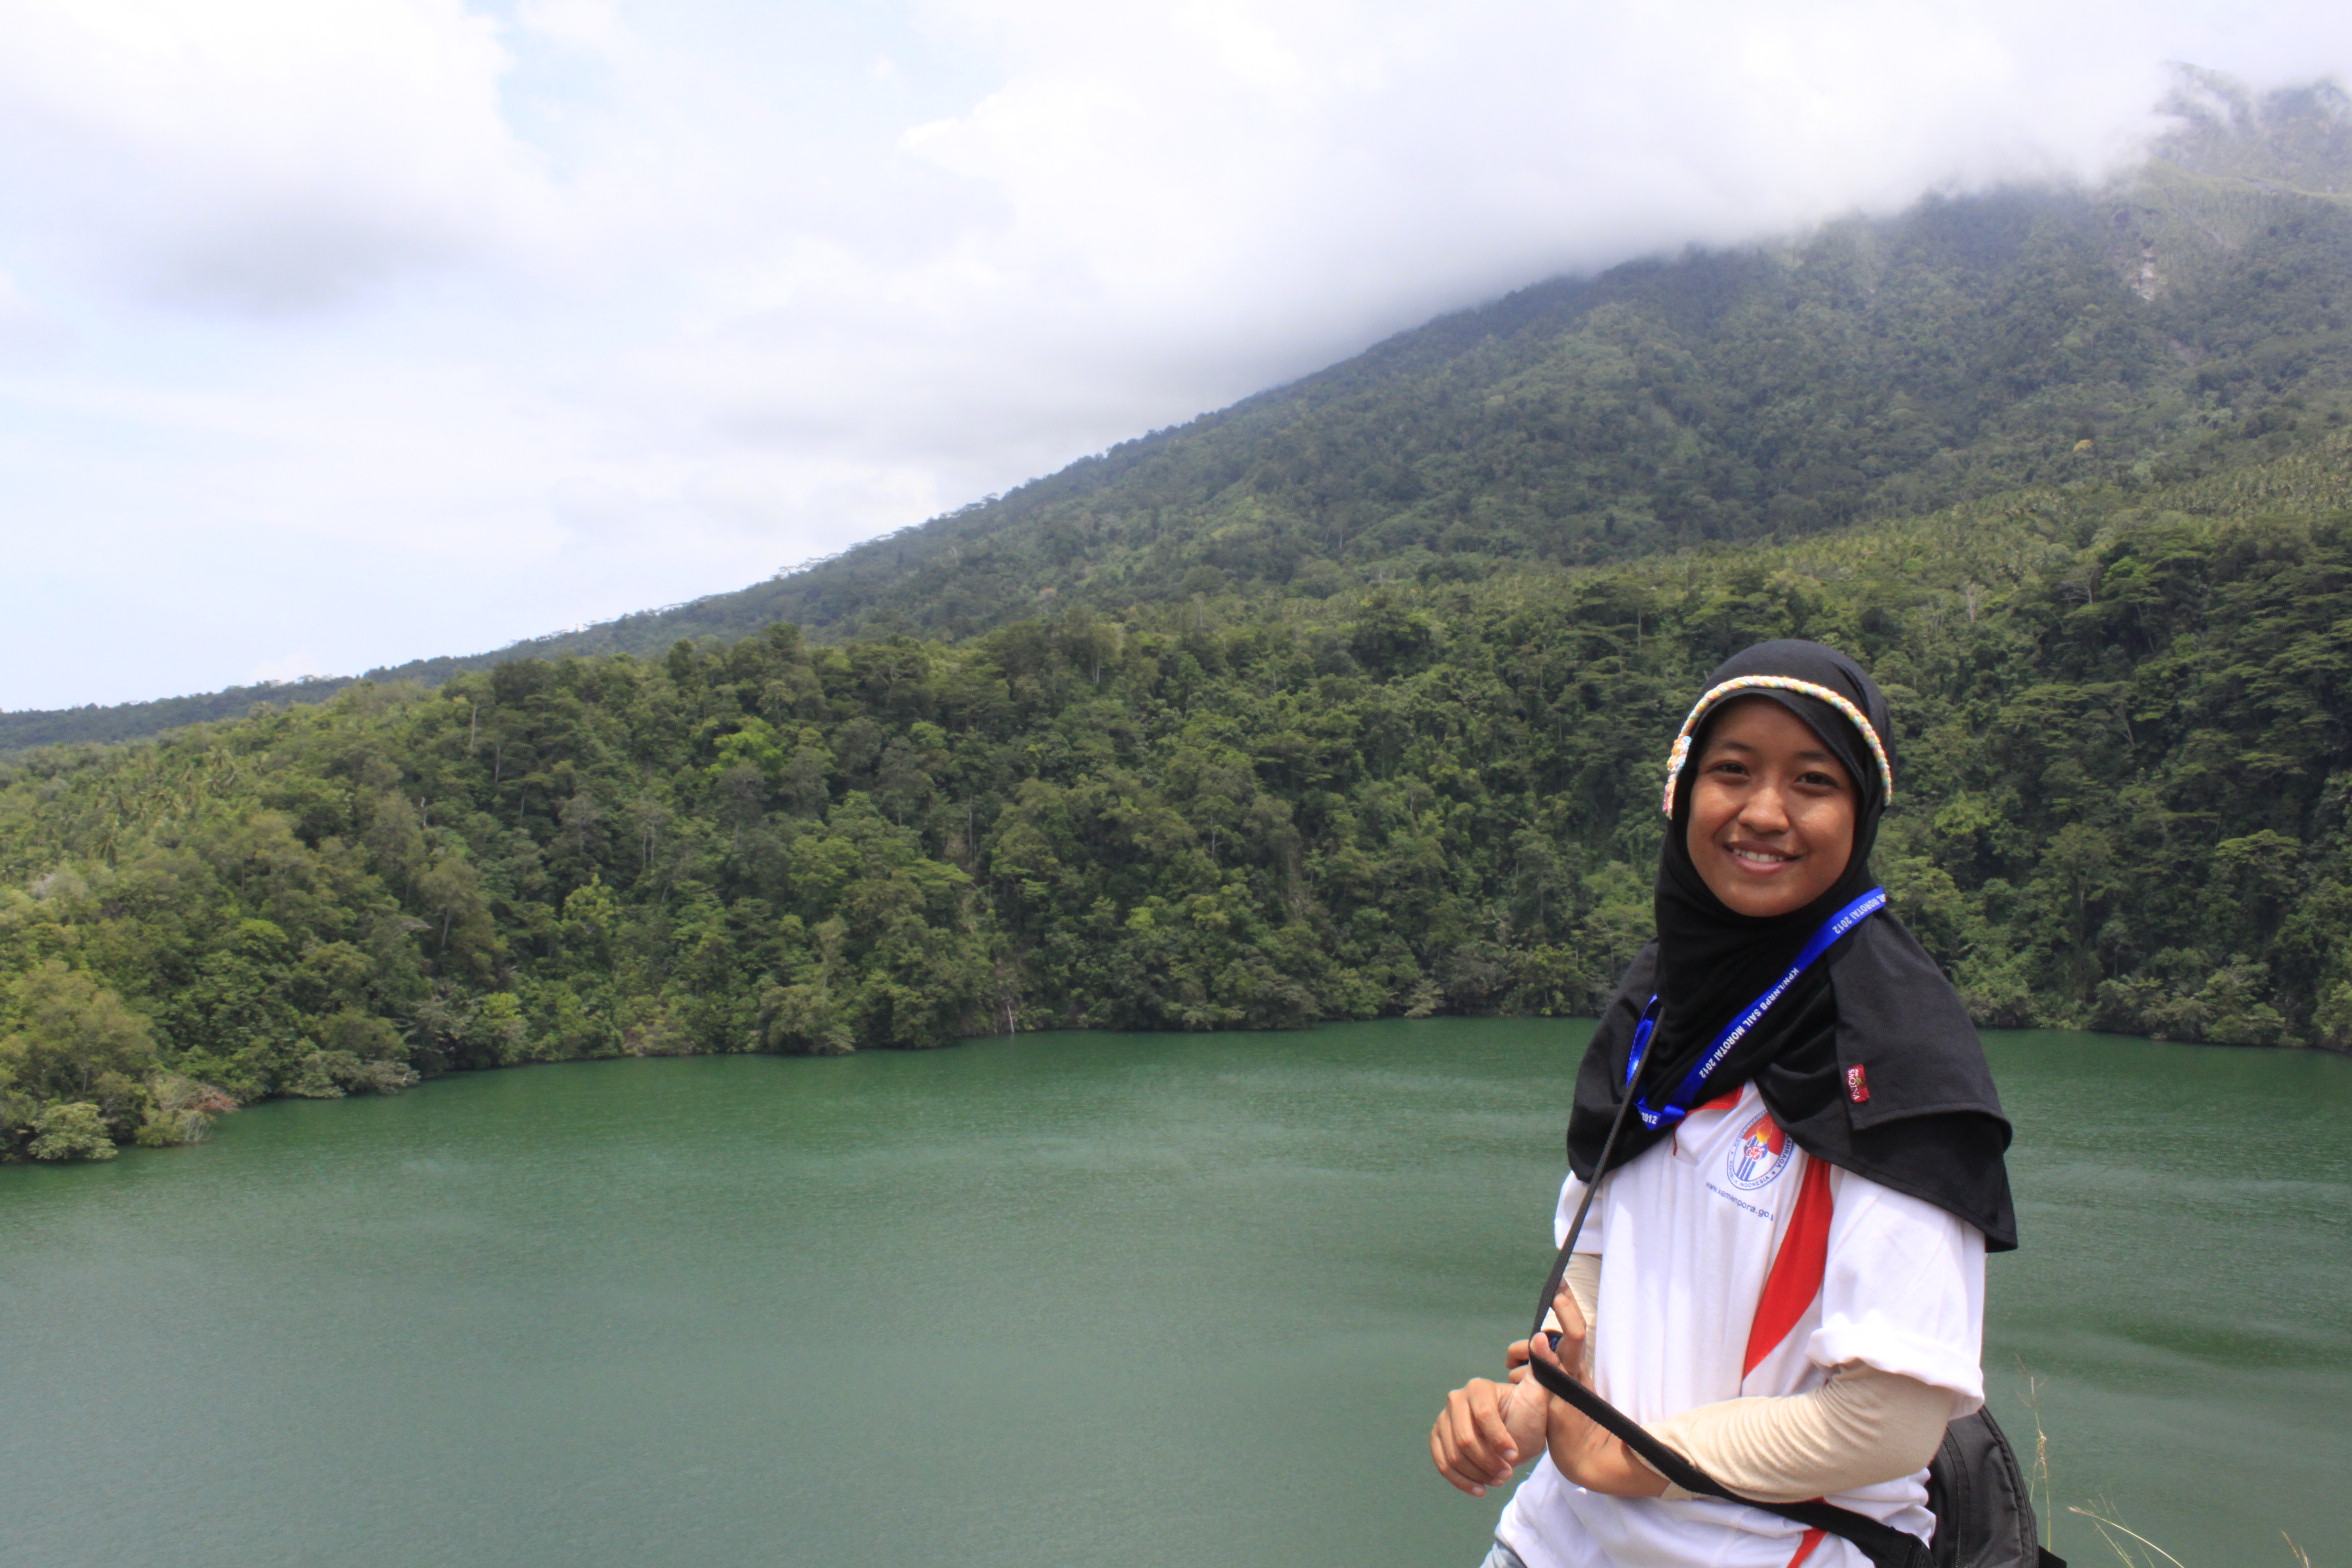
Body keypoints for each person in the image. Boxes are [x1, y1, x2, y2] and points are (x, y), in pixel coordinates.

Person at [1430, 639, 2016, 1568]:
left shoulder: (1894, 1052)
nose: (1764, 812)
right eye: (1731, 771)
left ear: (1861, 812)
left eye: (1813, 780)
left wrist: (1635, 1459)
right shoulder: (1662, 1009)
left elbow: (1892, 1421)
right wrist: (1528, 1406)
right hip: (1555, 1543)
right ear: (1683, 792)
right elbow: (1586, 1284)